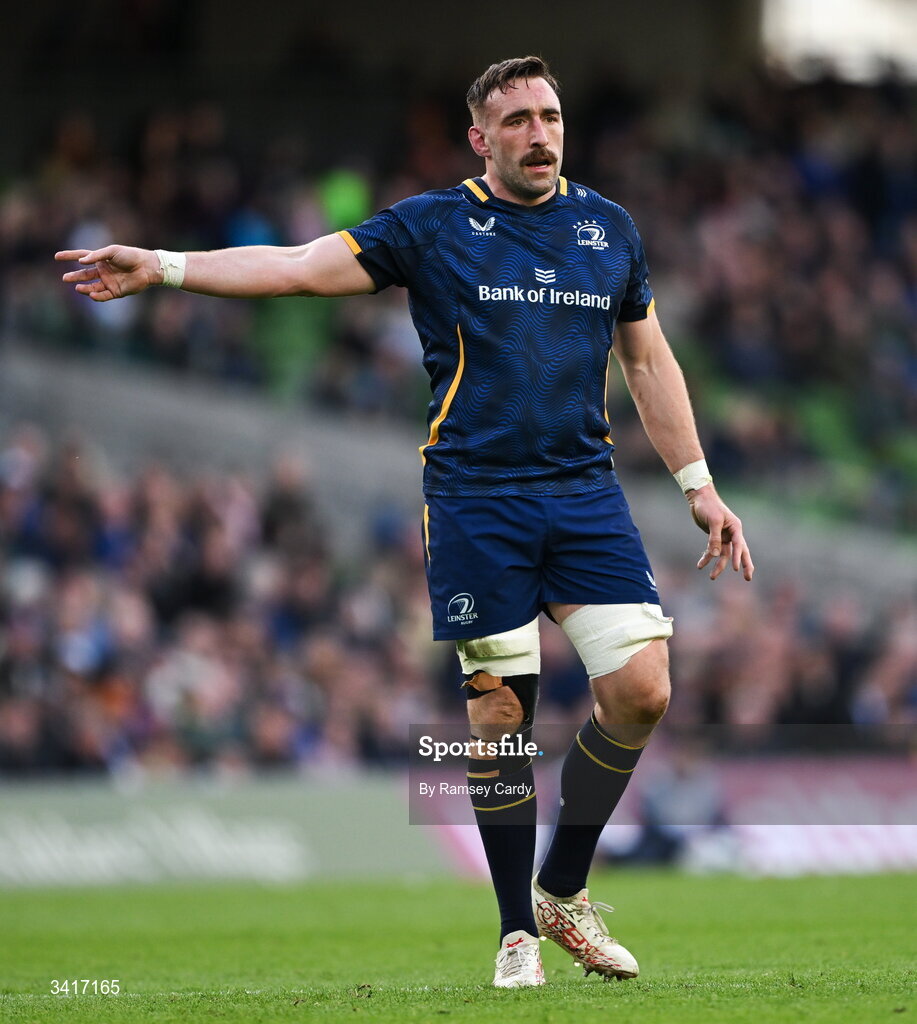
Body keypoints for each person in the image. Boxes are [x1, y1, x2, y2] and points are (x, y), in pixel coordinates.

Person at [56, 55, 754, 988]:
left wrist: (697, 483)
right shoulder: (432, 227)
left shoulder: (607, 229)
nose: (538, 134)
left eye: (548, 117)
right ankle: (516, 933)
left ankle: (563, 890)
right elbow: (300, 268)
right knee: (501, 711)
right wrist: (169, 266)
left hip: (584, 494)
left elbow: (648, 361)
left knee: (643, 690)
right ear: (481, 138)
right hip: (474, 499)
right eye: (516, 122)